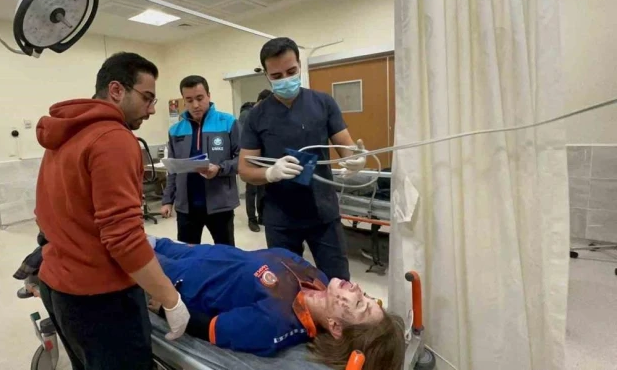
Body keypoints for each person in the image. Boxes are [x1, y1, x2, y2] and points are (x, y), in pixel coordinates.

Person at [34, 52, 190, 370]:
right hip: (100, 301)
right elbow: (124, 238)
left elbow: (44, 212)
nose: (152, 109)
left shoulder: (65, 134)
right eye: (146, 98)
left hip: (57, 289)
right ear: (116, 90)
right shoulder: (114, 138)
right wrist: (170, 298)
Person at [147, 237, 405, 370]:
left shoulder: (277, 324)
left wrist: (166, 307)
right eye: (367, 296)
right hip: (197, 251)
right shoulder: (319, 279)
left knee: (124, 238)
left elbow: (211, 328)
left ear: (336, 327)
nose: (358, 289)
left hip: (178, 276)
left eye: (360, 304)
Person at [238, 38, 367, 281]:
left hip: (323, 212)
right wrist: (269, 173)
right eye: (276, 76)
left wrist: (357, 159)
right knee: (288, 286)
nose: (285, 79)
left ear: (300, 65)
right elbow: (245, 169)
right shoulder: (257, 115)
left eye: (291, 71)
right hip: (281, 217)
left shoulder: (323, 103)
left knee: (338, 282)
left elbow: (347, 148)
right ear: (266, 75)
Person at [160, 75, 240, 246]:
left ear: (209, 96)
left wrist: (219, 168)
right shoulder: (175, 130)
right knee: (188, 254)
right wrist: (167, 200)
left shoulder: (228, 123)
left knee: (225, 253)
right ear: (184, 101)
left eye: (200, 98)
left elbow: (243, 159)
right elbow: (172, 169)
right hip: (186, 207)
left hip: (220, 204)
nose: (195, 105)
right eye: (189, 100)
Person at [239, 89, 272, 232]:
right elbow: (243, 138)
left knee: (262, 188)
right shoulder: (246, 115)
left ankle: (261, 216)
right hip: (250, 157)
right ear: (260, 101)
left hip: (263, 157)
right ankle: (252, 219)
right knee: (251, 190)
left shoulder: (265, 113)